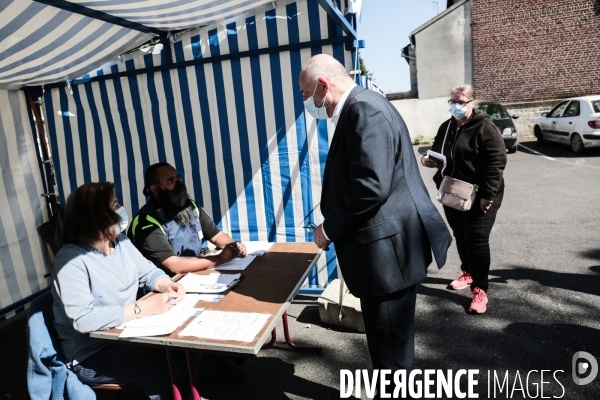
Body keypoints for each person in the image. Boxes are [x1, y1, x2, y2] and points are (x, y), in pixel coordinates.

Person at [298, 54, 452, 382]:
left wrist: (329, 228)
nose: (307, 103)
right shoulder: (363, 106)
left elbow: (370, 186)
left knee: (391, 360)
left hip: (386, 261)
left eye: (306, 94)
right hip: (388, 256)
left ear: (323, 85)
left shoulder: (363, 109)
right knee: (391, 354)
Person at [51, 182, 186, 400]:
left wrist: (165, 284)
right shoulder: (70, 260)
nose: (121, 209)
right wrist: (143, 308)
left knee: (180, 355)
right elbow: (84, 319)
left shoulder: (120, 241)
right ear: (95, 215)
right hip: (92, 353)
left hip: (127, 337)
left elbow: (148, 273)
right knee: (160, 370)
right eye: (114, 205)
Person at [422, 84, 507, 314]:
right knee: (460, 233)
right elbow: (437, 152)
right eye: (453, 102)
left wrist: (487, 195)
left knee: (476, 240)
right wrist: (428, 161)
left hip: (481, 193)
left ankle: (480, 290)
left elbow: (496, 162)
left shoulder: (485, 126)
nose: (456, 106)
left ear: (472, 103)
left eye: (461, 102)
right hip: (454, 191)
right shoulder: (447, 126)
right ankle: (468, 273)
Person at [128, 162, 246, 275]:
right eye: (170, 181)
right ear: (154, 189)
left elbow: (217, 236)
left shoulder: (191, 207)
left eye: (177, 178)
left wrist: (234, 246)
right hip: (166, 286)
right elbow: (173, 265)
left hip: (193, 275)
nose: (178, 184)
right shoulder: (146, 221)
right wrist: (219, 258)